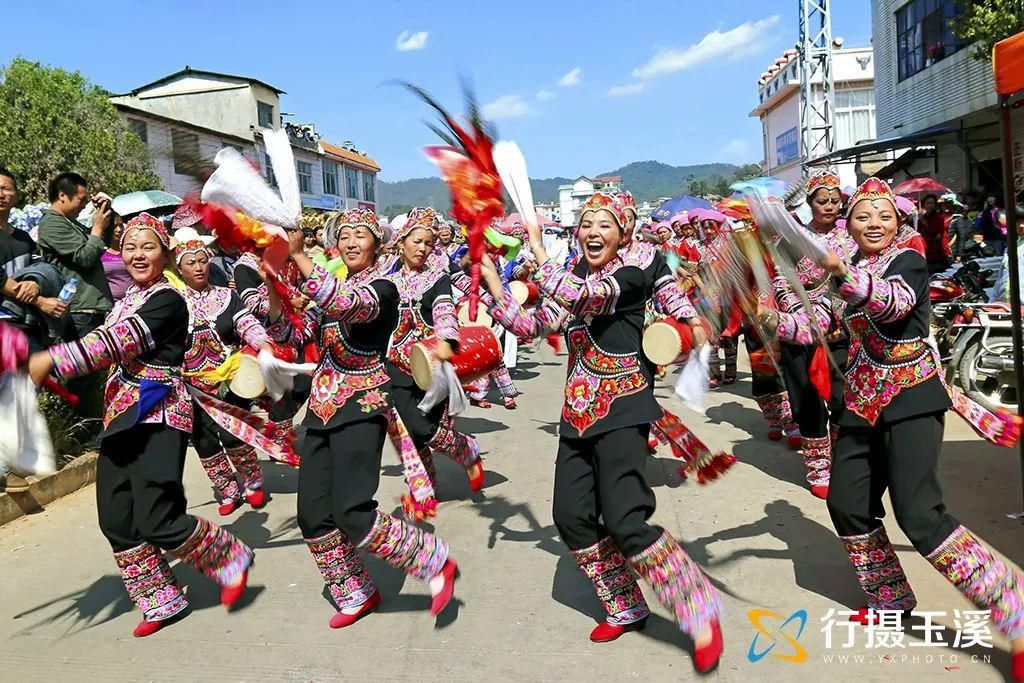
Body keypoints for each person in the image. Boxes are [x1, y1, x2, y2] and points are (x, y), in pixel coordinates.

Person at [764, 177, 1024, 680]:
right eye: (863, 216)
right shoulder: (845, 272)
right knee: (846, 502)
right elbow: (819, 326)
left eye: (882, 215)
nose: (873, 224)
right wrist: (773, 320)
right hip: (862, 401)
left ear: (898, 221)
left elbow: (890, 304)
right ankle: (890, 598)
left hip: (911, 397)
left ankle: (1012, 610)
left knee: (919, 514)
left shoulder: (909, 263)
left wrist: (840, 273)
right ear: (850, 225)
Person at [481, 192, 723, 673]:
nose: (592, 231)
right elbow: (533, 324)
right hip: (577, 413)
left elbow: (582, 297)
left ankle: (697, 606)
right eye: (585, 223)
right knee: (570, 517)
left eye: (603, 224)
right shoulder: (578, 274)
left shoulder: (636, 271)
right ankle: (625, 604)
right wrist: (491, 279)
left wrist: (537, 248)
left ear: (624, 231)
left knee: (626, 518)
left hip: (625, 406)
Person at [26, 213, 253, 637]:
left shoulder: (168, 300)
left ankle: (228, 555)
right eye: (129, 247)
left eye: (147, 246)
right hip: (122, 415)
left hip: (158, 411)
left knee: (158, 518)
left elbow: (121, 340)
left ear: (166, 253)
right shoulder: (126, 299)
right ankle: (162, 600)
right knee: (115, 517)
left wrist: (52, 360)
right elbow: (107, 339)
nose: (137, 254)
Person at [271, 208, 458, 627]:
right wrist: (277, 296)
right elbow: (299, 336)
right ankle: (356, 592)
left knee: (352, 509)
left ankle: (430, 559)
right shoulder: (333, 284)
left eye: (361, 235)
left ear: (378, 244)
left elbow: (350, 306)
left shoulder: (384, 287)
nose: (351, 242)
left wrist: (301, 258)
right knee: (312, 514)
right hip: (320, 409)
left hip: (364, 403)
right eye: (345, 235)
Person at [175, 228, 274, 516]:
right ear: (179, 268)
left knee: (233, 434)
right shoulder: (173, 301)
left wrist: (263, 343)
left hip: (229, 381)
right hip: (191, 385)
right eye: (190, 262)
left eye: (202, 260)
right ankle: (227, 488)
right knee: (203, 440)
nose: (198, 267)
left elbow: (246, 323)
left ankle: (253, 483)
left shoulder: (227, 296)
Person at [385, 207, 484, 492]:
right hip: (396, 365)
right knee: (410, 430)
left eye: (428, 243)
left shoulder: (438, 277)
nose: (423, 248)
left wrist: (447, 339)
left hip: (430, 364)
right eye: (417, 241)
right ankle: (424, 488)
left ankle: (465, 448)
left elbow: (444, 310)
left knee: (425, 428)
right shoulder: (387, 281)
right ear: (401, 242)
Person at [773, 170, 854, 499]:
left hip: (840, 329)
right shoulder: (793, 239)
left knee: (843, 397)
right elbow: (780, 279)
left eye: (835, 201)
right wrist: (798, 310)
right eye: (823, 201)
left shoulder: (850, 237)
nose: (830, 206)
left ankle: (840, 457)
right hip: (799, 328)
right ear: (810, 203)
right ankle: (817, 464)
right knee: (807, 398)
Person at [36, 172, 113, 339]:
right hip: (79, 313)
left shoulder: (69, 222)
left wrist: (105, 211)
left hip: (89, 311)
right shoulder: (51, 223)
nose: (85, 205)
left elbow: (102, 243)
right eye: (81, 200)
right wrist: (97, 228)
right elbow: (85, 258)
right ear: (62, 195)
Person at [101, 214, 133, 301]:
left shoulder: (131, 251)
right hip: (109, 304)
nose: (119, 230)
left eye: (121, 225)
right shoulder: (100, 253)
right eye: (115, 226)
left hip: (131, 301)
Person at [918, 193, 951, 273]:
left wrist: (925, 223)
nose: (930, 205)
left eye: (932, 203)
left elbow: (935, 233)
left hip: (936, 253)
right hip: (924, 251)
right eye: (928, 203)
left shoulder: (939, 218)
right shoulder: (921, 218)